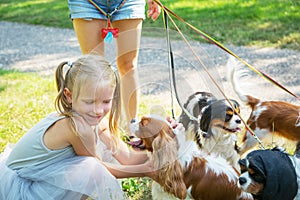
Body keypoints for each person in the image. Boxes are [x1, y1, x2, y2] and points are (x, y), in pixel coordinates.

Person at [0, 54, 156, 199]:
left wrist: (162, 146)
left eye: (106, 101)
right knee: (89, 168)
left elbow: (128, 159)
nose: (98, 110)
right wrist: (146, 171)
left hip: (37, 178)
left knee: (101, 156)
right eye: (89, 102)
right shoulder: (74, 127)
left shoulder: (96, 121)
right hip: (23, 189)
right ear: (69, 96)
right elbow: (99, 171)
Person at [68, 0, 161, 133]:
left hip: (128, 2)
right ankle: (101, 130)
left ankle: (132, 128)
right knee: (94, 68)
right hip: (87, 2)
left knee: (128, 65)